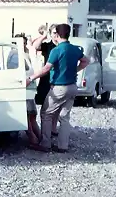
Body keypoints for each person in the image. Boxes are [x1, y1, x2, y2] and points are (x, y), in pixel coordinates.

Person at [26, 23, 89, 152]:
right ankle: (63, 146)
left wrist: (31, 78)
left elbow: (46, 68)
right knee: (65, 117)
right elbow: (86, 61)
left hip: (59, 87)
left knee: (46, 113)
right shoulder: (75, 49)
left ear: (58, 34)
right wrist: (75, 70)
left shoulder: (57, 50)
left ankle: (45, 143)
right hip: (72, 87)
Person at [31, 24, 60, 137]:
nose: (55, 35)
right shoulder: (48, 46)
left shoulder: (62, 46)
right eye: (53, 33)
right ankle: (44, 130)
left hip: (58, 77)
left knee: (57, 106)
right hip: (46, 77)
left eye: (57, 33)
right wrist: (44, 36)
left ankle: (52, 128)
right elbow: (35, 46)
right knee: (45, 105)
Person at [13, 34, 41, 146]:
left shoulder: (20, 54)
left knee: (29, 117)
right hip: (27, 88)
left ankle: (35, 140)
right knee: (30, 117)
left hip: (27, 89)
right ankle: (39, 139)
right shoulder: (20, 54)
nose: (23, 45)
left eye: (24, 43)